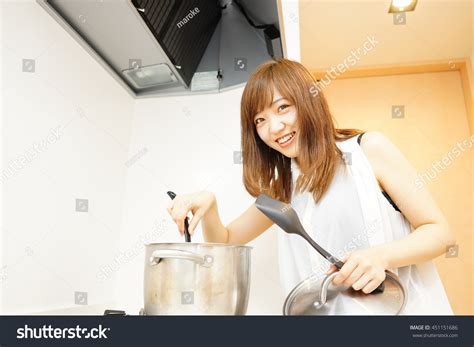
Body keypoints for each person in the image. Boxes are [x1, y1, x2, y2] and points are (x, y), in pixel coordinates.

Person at [167, 59, 455, 314]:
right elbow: (226, 242)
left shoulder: (368, 150)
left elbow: (440, 232)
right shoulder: (282, 189)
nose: (275, 127)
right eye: (260, 120)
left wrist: (381, 256)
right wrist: (210, 204)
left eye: (283, 108)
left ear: (308, 101)